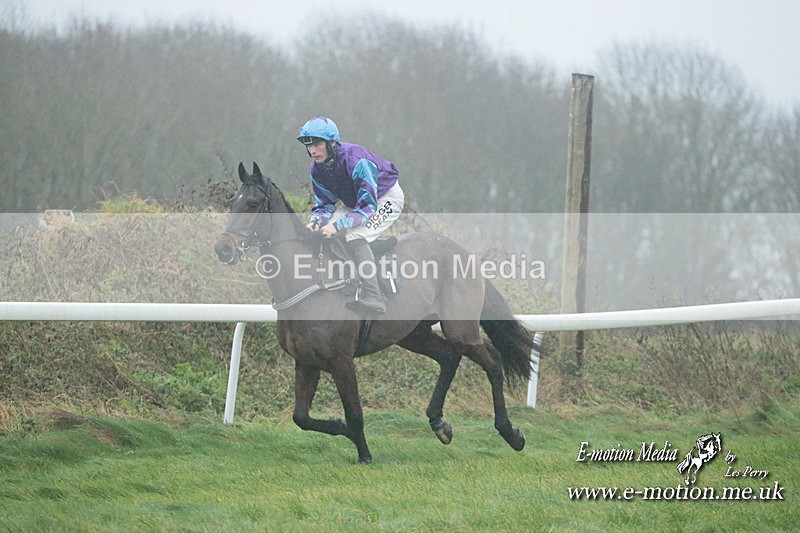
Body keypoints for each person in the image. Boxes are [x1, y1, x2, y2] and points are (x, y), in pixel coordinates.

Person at [297, 116, 405, 314]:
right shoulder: (317, 169)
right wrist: (316, 222)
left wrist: (337, 226)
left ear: (332, 143)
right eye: (309, 145)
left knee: (354, 235)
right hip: (354, 202)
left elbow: (367, 207)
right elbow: (325, 204)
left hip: (384, 198)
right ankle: (351, 276)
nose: (312, 150)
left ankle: (374, 296)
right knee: (325, 233)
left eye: (317, 144)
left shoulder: (357, 162)